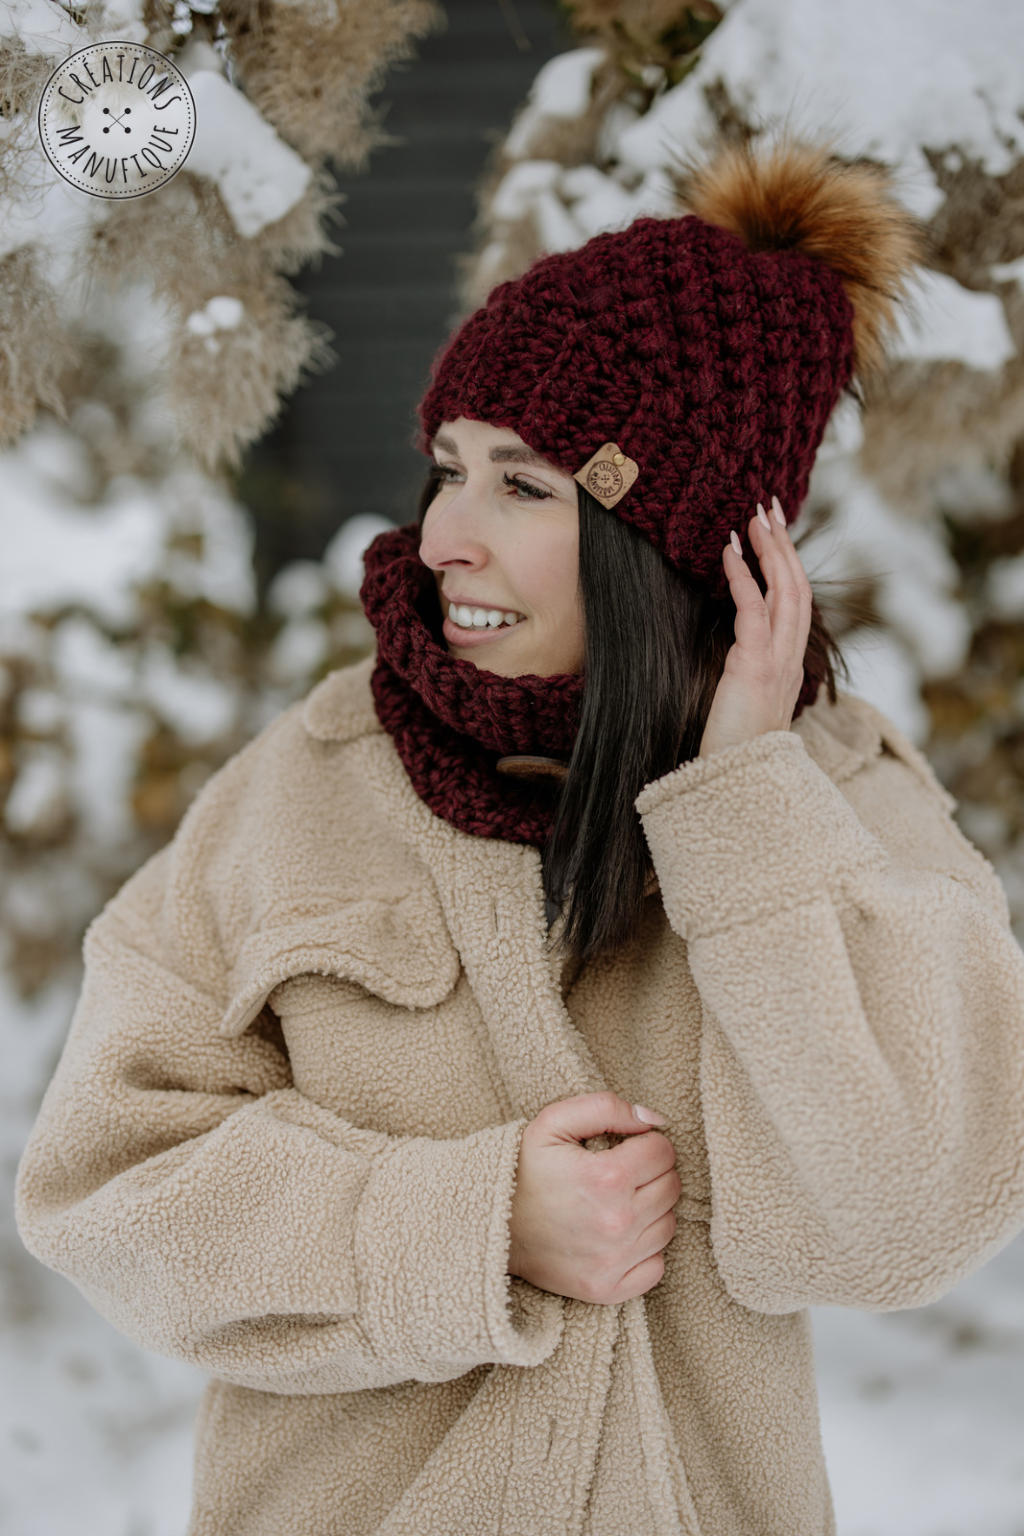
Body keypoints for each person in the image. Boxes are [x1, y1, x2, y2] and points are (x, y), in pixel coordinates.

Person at [16, 138, 1024, 1536]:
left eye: (526, 486)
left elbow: (907, 1220)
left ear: (681, 547)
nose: (443, 536)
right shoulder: (310, 785)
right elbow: (106, 1181)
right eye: (449, 468)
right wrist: (469, 1225)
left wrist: (743, 802)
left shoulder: (839, 806)